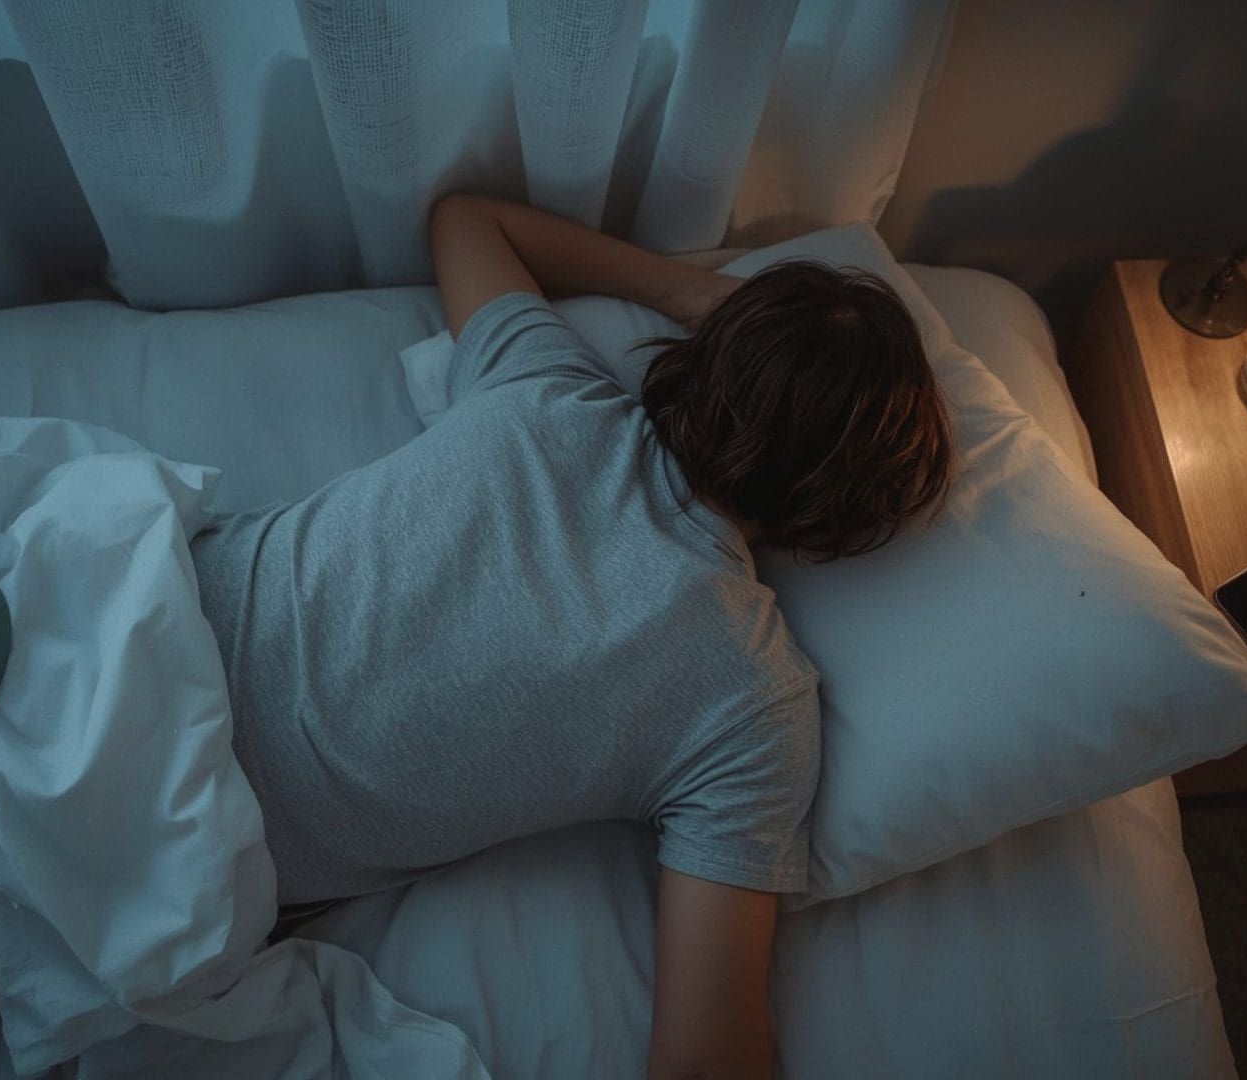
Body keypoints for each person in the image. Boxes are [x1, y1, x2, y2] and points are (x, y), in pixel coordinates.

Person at [188, 195, 953, 1079]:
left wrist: (693, 294)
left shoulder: (547, 384)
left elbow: (466, 222)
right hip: (189, 836)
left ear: (709, 356)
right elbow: (702, 1062)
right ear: (839, 523)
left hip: (135, 609)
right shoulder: (754, 709)